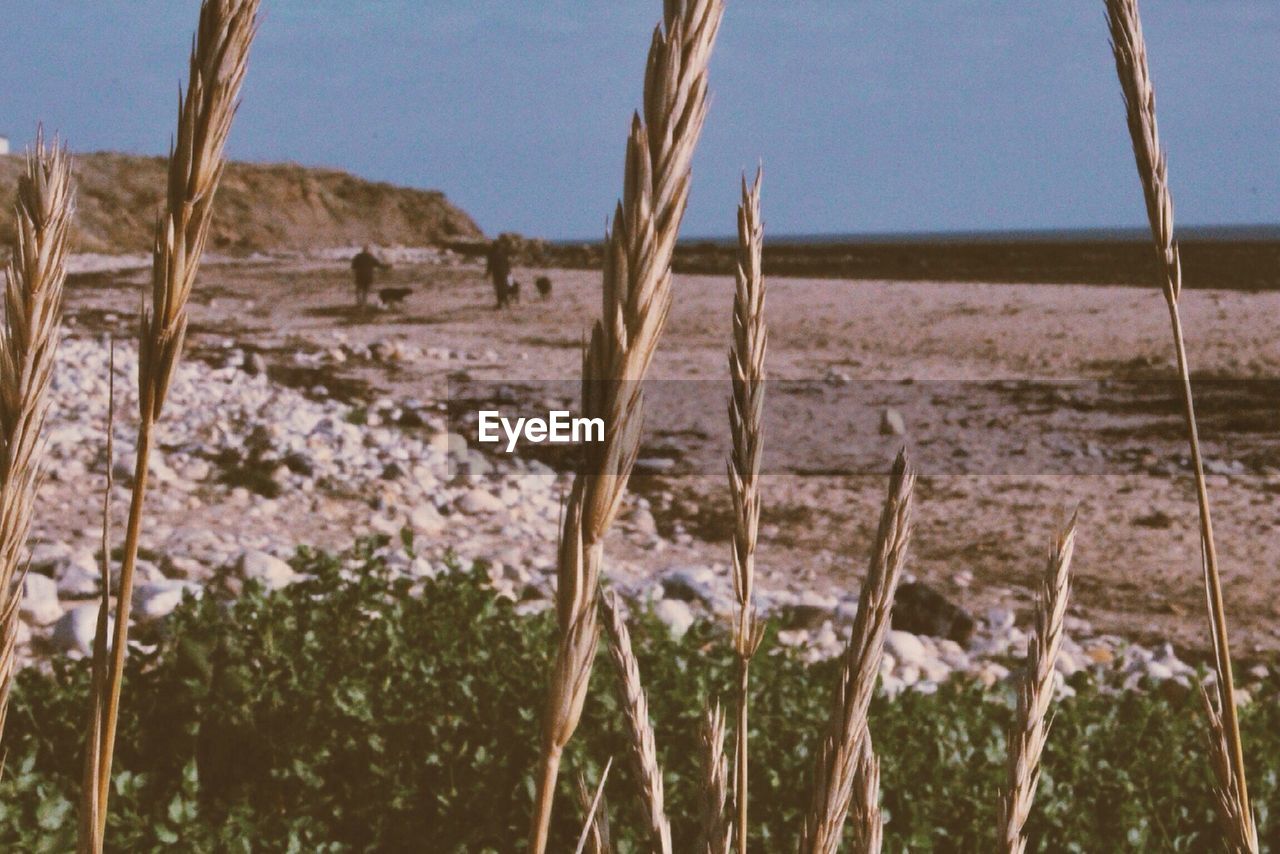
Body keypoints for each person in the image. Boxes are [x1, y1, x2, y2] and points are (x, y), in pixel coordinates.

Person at [485, 238, 512, 309]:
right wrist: (509, 273)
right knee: (504, 287)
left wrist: (487, 274)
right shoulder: (503, 254)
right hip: (504, 273)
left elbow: (489, 266)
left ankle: (500, 303)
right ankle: (506, 302)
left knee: (498, 288)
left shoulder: (491, 255)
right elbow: (508, 264)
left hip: (497, 274)